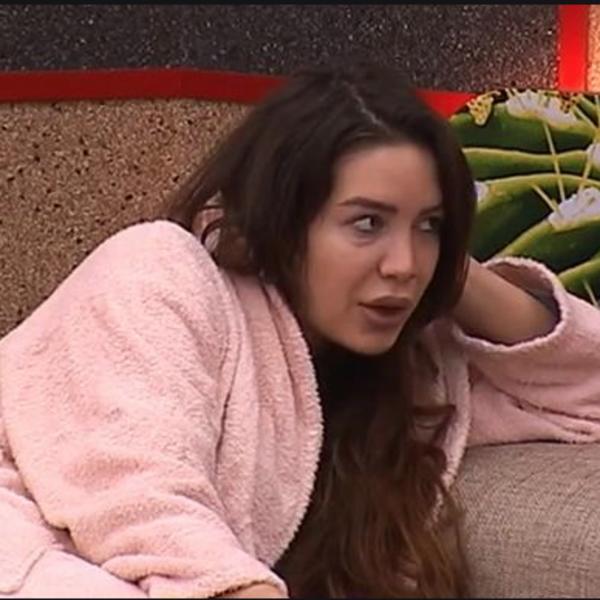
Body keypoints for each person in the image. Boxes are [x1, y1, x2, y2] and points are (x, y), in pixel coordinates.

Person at [1, 59, 600, 599]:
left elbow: (585, 398)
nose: (403, 264)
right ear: (283, 221)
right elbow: (139, 496)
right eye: (367, 223)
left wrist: (455, 277)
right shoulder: (160, 272)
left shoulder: (410, 366)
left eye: (429, 225)